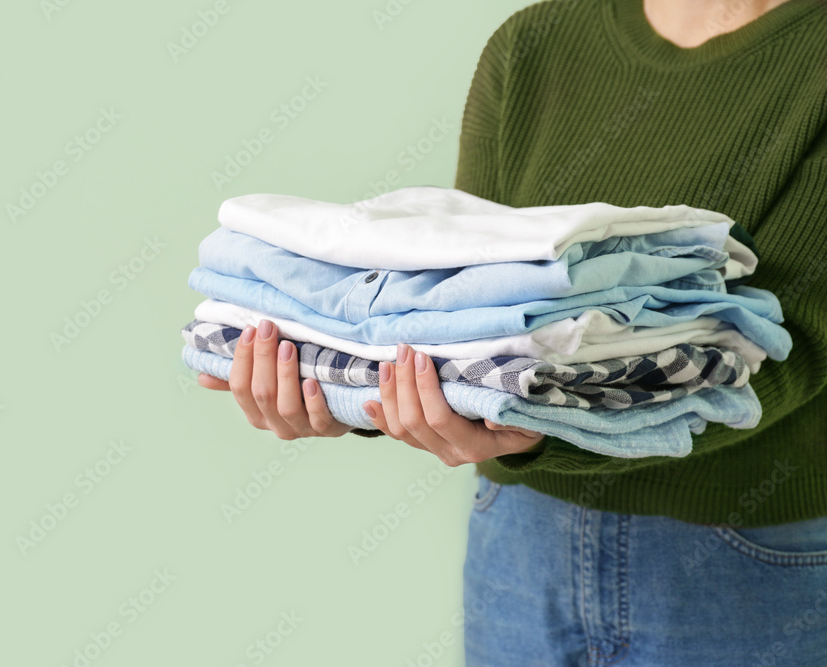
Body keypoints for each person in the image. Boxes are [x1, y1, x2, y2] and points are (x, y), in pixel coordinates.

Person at [197, 0, 827, 663]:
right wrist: (352, 389)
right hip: (519, 543)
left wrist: (533, 424)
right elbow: (459, 319)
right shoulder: (534, 45)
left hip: (751, 557)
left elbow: (788, 345)